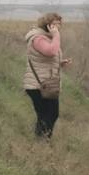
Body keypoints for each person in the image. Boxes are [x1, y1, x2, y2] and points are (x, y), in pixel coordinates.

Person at [24, 12, 72, 140]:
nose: (58, 27)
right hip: (38, 84)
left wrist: (60, 63)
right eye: (55, 24)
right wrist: (56, 35)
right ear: (47, 25)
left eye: (59, 24)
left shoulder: (46, 37)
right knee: (49, 114)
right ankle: (43, 141)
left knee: (46, 115)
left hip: (45, 83)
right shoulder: (38, 38)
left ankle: (41, 141)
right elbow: (51, 51)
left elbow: (43, 59)